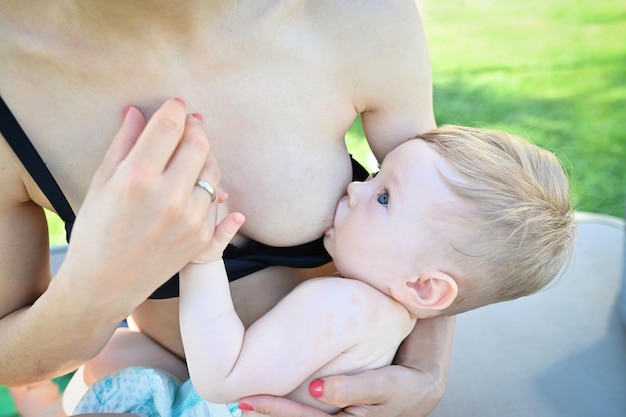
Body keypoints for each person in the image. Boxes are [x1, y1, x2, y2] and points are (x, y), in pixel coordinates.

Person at [0, 2, 452, 417]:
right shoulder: (10, 77)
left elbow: (452, 221)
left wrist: (425, 375)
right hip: (153, 384)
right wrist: (93, 288)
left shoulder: (354, 13)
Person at [16, 125, 575, 416]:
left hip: (215, 401)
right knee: (116, 356)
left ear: (426, 285)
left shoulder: (340, 305)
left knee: (110, 379)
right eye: (375, 174)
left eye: (383, 198)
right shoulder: (390, 318)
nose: (356, 188)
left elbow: (222, 377)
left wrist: (203, 259)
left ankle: (39, 404)